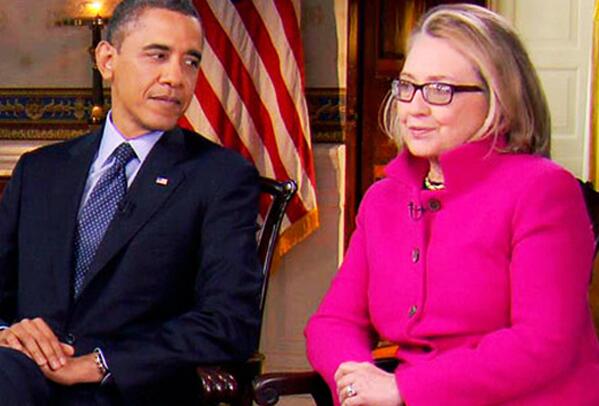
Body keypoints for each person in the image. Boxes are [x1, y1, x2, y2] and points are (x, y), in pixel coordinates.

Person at [305, 4, 599, 406]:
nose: (415, 107)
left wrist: (403, 389)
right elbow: (333, 322)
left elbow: (543, 342)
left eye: (440, 90)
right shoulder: (383, 200)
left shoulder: (543, 189)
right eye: (407, 86)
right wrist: (358, 383)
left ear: (499, 98)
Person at [0, 0, 262, 404]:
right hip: (21, 377)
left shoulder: (220, 177)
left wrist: (100, 364)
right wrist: (7, 333)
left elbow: (230, 322)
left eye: (190, 62)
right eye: (158, 55)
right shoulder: (40, 170)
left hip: (127, 389)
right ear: (108, 60)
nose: (175, 77)